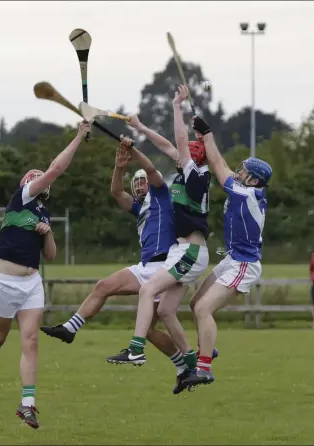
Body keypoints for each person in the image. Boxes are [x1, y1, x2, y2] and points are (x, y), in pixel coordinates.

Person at [40, 139, 195, 380]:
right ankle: (70, 329)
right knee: (104, 286)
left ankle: (184, 364)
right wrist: (119, 167)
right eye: (138, 183)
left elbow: (152, 169)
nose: (141, 185)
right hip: (145, 266)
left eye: (144, 181)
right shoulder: (139, 208)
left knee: (151, 330)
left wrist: (134, 150)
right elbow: (115, 192)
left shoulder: (162, 196)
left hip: (165, 266)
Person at [0, 121, 90, 429]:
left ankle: (27, 405)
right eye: (35, 176)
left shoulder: (44, 213)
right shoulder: (20, 198)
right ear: (27, 182)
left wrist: (48, 233)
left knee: (30, 341)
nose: (41, 179)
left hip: (31, 283)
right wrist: (79, 135)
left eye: (42, 178)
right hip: (5, 280)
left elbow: (50, 255)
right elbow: (55, 169)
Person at [106, 85, 211, 381]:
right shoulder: (186, 172)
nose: (176, 153)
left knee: (147, 290)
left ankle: (136, 349)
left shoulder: (197, 177)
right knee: (165, 311)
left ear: (192, 158)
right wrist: (140, 128)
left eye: (184, 153)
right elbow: (168, 144)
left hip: (191, 252)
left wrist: (176, 106)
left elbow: (176, 140)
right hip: (183, 253)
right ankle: (194, 363)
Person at [180, 110, 272, 390]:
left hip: (244, 264)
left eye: (244, 171)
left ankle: (204, 368)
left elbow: (220, 168)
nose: (239, 172)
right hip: (232, 260)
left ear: (254, 180)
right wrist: (204, 139)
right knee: (196, 304)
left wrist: (208, 135)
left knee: (205, 308)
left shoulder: (249, 193)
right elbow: (218, 162)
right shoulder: (247, 187)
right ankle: (208, 349)